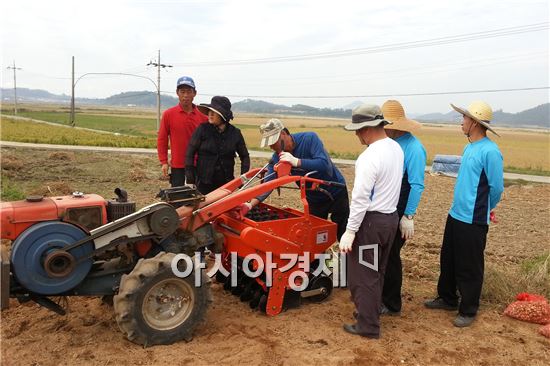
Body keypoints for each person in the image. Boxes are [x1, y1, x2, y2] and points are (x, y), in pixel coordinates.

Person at [424, 101, 503, 328]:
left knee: (469, 265)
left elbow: (496, 187)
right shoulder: (470, 147)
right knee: (448, 259)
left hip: (473, 218)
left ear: (475, 123)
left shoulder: (490, 151)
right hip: (456, 213)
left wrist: (487, 207)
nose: (462, 122)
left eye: (465, 119)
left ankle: (468, 309)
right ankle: (447, 298)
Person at [339, 103, 404, 339]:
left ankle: (368, 326)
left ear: (367, 128)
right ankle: (370, 312)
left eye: (357, 130)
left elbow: (360, 198)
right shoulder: (396, 149)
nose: (357, 135)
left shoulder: (369, 157)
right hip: (390, 220)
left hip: (370, 223)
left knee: (363, 275)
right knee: (378, 271)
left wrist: (350, 230)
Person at [236, 118, 349, 240]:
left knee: (343, 232)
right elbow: (268, 185)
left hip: (336, 191)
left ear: (283, 134)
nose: (272, 147)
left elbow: (324, 165)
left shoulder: (309, 139)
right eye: (270, 144)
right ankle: (318, 259)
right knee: (315, 237)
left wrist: (296, 162)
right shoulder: (277, 158)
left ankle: (347, 258)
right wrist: (249, 205)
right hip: (314, 199)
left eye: (274, 142)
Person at [380, 100, 427, 316]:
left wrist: (408, 215)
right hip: (385, 205)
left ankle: (391, 304)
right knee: (381, 254)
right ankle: (380, 296)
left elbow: (416, 184)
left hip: (400, 207)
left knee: (391, 255)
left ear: (395, 125)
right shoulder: (388, 143)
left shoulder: (414, 148)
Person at [185, 96, 250, 194]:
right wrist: (190, 179)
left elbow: (245, 156)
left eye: (214, 112)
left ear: (223, 116)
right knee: (203, 208)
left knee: (224, 208)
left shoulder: (235, 133)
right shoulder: (202, 129)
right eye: (209, 111)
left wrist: (242, 178)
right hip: (203, 183)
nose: (210, 114)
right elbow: (190, 153)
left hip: (226, 184)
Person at [157, 76, 208, 187]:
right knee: (179, 199)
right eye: (182, 91)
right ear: (177, 93)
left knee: (199, 199)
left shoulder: (203, 117)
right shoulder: (168, 114)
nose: (185, 95)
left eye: (189, 92)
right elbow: (162, 139)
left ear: (195, 93)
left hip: (198, 165)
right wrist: (164, 162)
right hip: (178, 165)